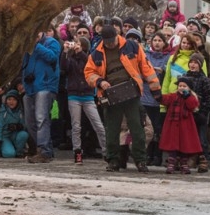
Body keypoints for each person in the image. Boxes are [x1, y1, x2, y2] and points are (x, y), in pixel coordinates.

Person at [84, 23, 162, 172]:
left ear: (116, 36)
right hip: (110, 94)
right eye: (107, 42)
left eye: (112, 40)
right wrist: (100, 81)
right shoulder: (97, 53)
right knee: (112, 129)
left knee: (137, 127)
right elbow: (88, 73)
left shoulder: (131, 46)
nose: (110, 44)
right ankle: (113, 160)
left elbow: (146, 67)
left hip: (130, 91)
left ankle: (140, 160)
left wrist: (155, 88)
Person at [61, 36, 106, 164]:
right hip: (74, 95)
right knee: (76, 126)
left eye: (79, 44)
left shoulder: (88, 57)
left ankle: (107, 151)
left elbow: (90, 66)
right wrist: (65, 52)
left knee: (98, 125)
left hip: (87, 95)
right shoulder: (70, 58)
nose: (76, 46)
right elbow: (63, 68)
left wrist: (80, 53)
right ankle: (77, 152)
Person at [20, 26, 61, 163]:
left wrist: (35, 45)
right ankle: (45, 150)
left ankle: (44, 151)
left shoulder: (51, 42)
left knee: (41, 119)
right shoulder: (26, 47)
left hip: (45, 85)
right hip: (30, 87)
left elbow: (52, 57)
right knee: (29, 121)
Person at [159, 75, 202, 174]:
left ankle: (184, 164)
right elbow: (164, 99)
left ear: (189, 88)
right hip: (173, 125)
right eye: (180, 86)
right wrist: (158, 95)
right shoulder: (173, 96)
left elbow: (192, 105)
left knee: (184, 146)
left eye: (184, 86)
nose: (181, 88)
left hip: (185, 126)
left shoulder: (191, 97)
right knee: (172, 146)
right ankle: (171, 164)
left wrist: (187, 97)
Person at [142, 31, 171, 166]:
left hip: (158, 97)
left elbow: (168, 75)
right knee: (147, 128)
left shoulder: (168, 57)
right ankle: (147, 155)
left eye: (160, 40)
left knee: (157, 128)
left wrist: (162, 71)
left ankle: (157, 155)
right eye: (155, 40)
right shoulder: (145, 55)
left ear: (164, 43)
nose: (157, 43)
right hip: (145, 95)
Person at [183, 53, 210, 172]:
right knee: (188, 138)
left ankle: (203, 160)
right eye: (191, 62)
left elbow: (209, 98)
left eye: (196, 63)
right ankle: (189, 159)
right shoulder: (184, 77)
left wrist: (203, 112)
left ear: (200, 65)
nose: (192, 65)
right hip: (187, 113)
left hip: (200, 113)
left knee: (201, 139)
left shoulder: (204, 79)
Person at [0, 89, 29, 159]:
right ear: (6, 100)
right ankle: (5, 149)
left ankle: (19, 152)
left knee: (24, 134)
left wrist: (19, 126)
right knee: (9, 154)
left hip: (14, 135)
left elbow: (25, 125)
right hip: (5, 136)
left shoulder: (20, 112)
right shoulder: (2, 111)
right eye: (9, 99)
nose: (11, 102)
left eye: (14, 100)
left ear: (17, 101)